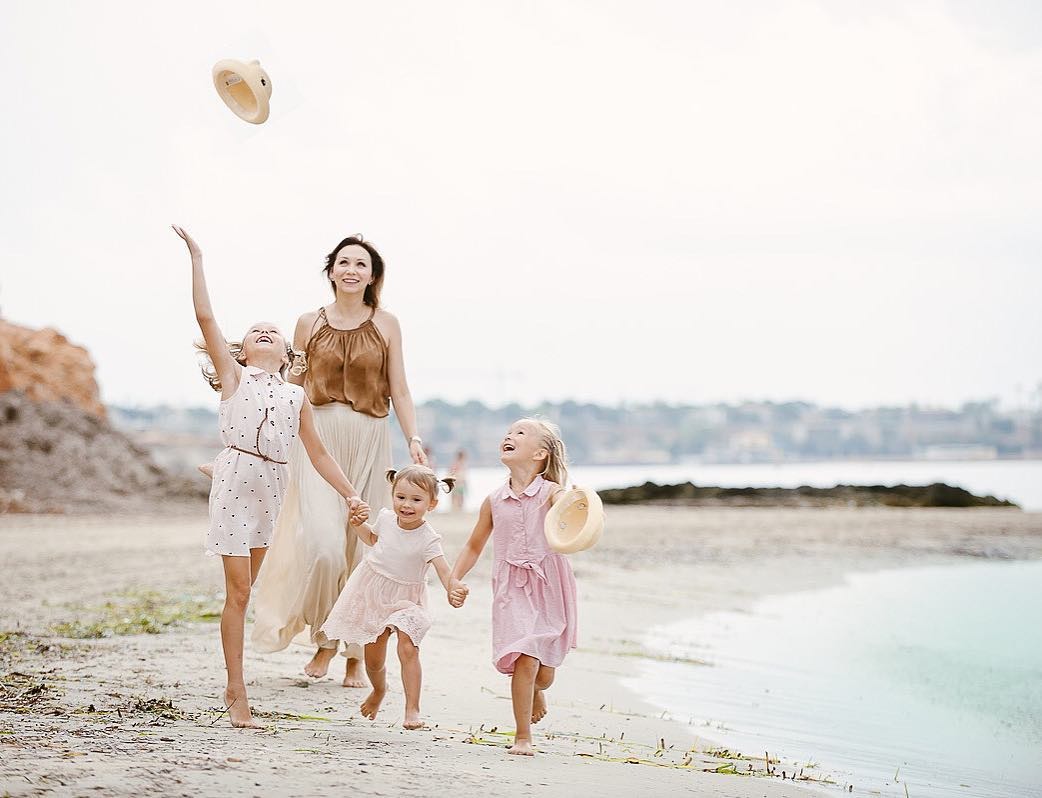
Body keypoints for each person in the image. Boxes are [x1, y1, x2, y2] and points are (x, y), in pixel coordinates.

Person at [173, 225, 366, 728]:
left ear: (287, 355)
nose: (264, 331)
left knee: (249, 589)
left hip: (272, 488)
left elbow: (320, 454)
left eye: (273, 331)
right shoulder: (235, 379)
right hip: (239, 479)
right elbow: (206, 316)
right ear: (240, 353)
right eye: (255, 330)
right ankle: (236, 691)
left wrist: (351, 495)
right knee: (237, 592)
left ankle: (213, 469)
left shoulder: (295, 396)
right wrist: (198, 258)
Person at [251, 234, 428, 688]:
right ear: (331, 271)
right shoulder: (308, 323)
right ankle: (324, 636)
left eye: (361, 265)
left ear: (372, 277)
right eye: (344, 262)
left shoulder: (387, 324)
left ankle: (351, 653)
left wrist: (413, 438)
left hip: (370, 437)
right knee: (326, 548)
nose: (352, 270)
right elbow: (292, 381)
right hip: (317, 438)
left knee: (366, 550)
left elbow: (400, 387)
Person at [448, 419, 578, 755]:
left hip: (548, 584)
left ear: (540, 453)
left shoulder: (551, 493)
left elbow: (572, 510)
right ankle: (522, 736)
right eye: (508, 431)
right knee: (525, 657)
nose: (509, 435)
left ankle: (538, 690)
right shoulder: (494, 500)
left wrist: (572, 500)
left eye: (520, 432)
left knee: (544, 674)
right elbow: (474, 545)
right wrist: (453, 578)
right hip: (511, 588)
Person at [321, 466, 466, 729]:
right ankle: (379, 690)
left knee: (408, 647)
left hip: (407, 600)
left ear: (432, 504)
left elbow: (444, 570)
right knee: (374, 660)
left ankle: (412, 709)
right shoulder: (387, 519)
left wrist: (452, 588)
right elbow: (372, 539)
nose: (406, 505)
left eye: (416, 500)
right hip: (373, 593)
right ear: (393, 495)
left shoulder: (429, 538)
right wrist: (358, 525)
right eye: (401, 497)